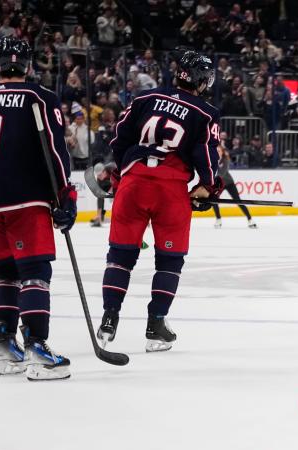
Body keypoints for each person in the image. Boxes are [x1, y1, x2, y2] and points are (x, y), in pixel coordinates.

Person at [97, 50, 223, 352]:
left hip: (134, 184)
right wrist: (208, 187)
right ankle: (156, 324)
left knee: (120, 255)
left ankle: (109, 318)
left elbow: (119, 138)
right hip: (171, 191)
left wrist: (124, 172)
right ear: (201, 79)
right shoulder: (206, 112)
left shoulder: (144, 98)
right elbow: (207, 157)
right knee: (170, 261)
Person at [0, 38, 76, 380]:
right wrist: (65, 195)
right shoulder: (38, 97)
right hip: (24, 197)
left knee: (6, 272)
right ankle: (37, 350)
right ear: (29, 65)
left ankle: (5, 347)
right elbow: (55, 150)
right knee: (35, 272)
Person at [212, 142, 256, 228]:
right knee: (214, 200)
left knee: (238, 201)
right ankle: (218, 219)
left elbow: (222, 173)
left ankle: (250, 219)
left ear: (222, 152)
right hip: (219, 184)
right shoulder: (212, 160)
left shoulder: (225, 160)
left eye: (219, 151)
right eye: (216, 151)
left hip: (229, 183)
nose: (218, 152)